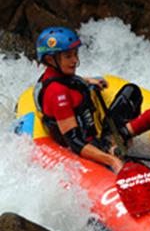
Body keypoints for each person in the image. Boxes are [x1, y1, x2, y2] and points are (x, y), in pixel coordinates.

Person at [33, 26, 143, 173]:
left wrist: (87, 81)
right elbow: (75, 142)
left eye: (75, 54)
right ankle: (112, 146)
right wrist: (111, 160)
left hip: (97, 137)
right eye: (68, 56)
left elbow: (69, 81)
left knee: (132, 92)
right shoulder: (58, 94)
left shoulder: (58, 76)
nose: (75, 60)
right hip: (87, 147)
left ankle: (113, 140)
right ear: (50, 59)